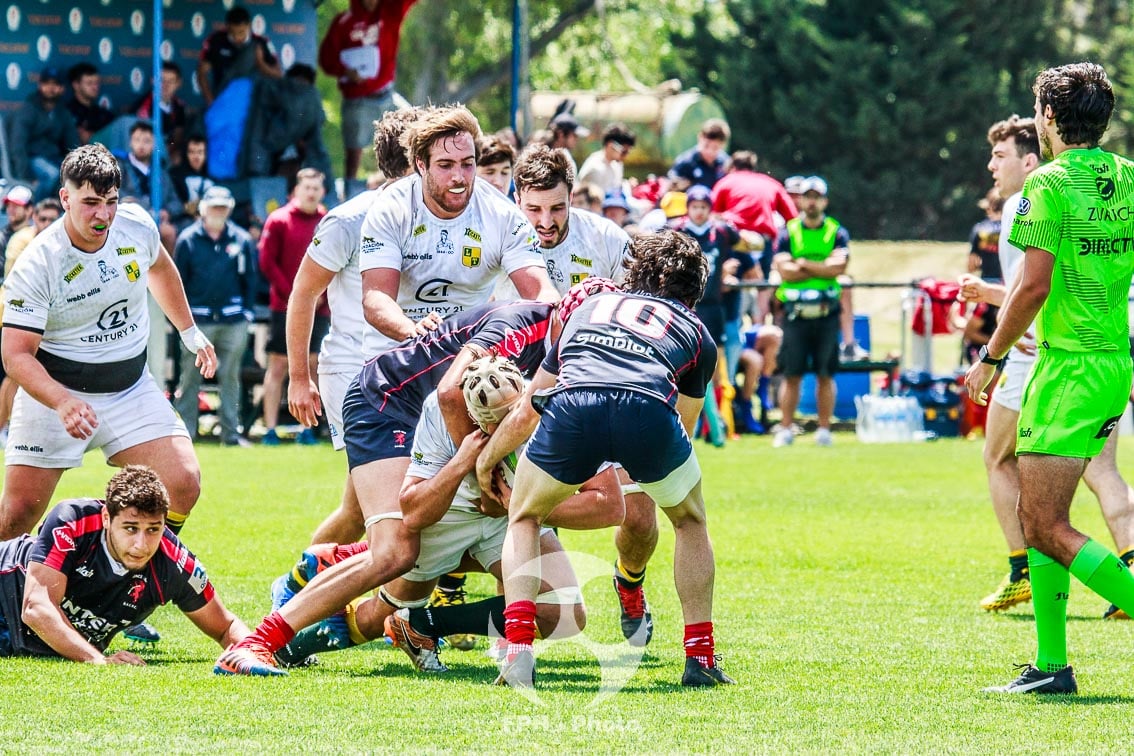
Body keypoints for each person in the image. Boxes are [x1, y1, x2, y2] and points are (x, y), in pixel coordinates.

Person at [214, 296, 586, 676]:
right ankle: (258, 643)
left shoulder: (567, 362)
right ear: (568, 319)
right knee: (394, 551)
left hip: (459, 438)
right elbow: (449, 393)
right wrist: (481, 473)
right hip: (390, 400)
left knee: (565, 610)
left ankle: (357, 571)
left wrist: (510, 498)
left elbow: (606, 502)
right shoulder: (521, 326)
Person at [479, 231, 733, 688]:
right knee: (689, 521)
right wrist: (639, 463)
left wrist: (487, 460)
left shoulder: (589, 309)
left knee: (524, 516)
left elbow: (533, 401)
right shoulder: (697, 331)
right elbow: (685, 427)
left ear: (634, 274)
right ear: (694, 290)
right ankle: (700, 658)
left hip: (573, 407)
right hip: (647, 412)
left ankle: (517, 649)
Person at [968, 62, 1134, 695]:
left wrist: (990, 356)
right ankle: (1051, 664)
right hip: (1110, 362)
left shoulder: (1046, 186)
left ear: (1047, 117)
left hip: (1067, 368)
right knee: (1043, 514)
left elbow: (1031, 285)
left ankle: (1055, 661)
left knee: (1043, 524)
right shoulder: (1126, 178)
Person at [0, 143, 217, 542]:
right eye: (91, 202)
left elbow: (161, 268)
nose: (103, 215)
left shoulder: (134, 225)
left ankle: (135, 578)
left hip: (131, 389)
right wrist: (62, 401)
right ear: (65, 198)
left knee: (183, 483)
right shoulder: (38, 263)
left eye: (111, 201)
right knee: (13, 520)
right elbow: (15, 356)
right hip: (56, 397)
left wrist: (190, 331)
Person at [286, 108, 421, 545]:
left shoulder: (439, 217)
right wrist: (298, 378)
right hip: (354, 373)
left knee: (375, 504)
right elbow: (303, 294)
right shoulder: (349, 220)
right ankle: (302, 586)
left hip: (412, 372)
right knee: (378, 506)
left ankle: (314, 585)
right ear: (414, 160)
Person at [357, 104, 556, 360]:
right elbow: (376, 299)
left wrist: (564, 311)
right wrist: (414, 330)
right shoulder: (392, 208)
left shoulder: (503, 215)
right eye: (445, 165)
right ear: (421, 164)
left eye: (467, 164)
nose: (459, 177)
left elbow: (540, 293)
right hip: (394, 356)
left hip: (467, 360)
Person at [0, 466, 248, 662]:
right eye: (130, 528)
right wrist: (97, 660)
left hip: (39, 646)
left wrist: (254, 655)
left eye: (153, 529)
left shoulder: (174, 563)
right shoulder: (73, 520)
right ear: (106, 518)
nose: (141, 545)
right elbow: (36, 608)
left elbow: (226, 626)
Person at [173, 186, 258, 447]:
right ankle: (186, 434)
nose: (218, 212)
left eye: (223, 207)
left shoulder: (241, 239)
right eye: (214, 207)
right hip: (198, 322)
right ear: (203, 210)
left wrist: (247, 312)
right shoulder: (187, 240)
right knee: (190, 378)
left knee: (231, 378)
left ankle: (231, 434)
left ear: (229, 209)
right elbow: (178, 282)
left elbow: (250, 279)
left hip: (233, 320)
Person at [672, 185, 760, 430]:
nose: (699, 212)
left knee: (716, 369)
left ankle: (718, 422)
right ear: (688, 208)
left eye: (703, 207)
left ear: (710, 209)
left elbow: (750, 244)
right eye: (694, 207)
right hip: (684, 307)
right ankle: (690, 421)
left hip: (713, 307)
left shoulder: (721, 231)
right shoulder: (677, 231)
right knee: (683, 366)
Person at [771, 176, 850, 448]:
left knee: (825, 373)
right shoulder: (788, 232)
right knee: (791, 373)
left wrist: (802, 262)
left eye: (817, 196)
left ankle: (825, 429)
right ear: (801, 200)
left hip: (827, 313)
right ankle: (785, 427)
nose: (812, 201)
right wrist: (821, 265)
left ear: (824, 201)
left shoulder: (836, 231)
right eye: (808, 196)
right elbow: (786, 272)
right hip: (795, 314)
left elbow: (838, 268)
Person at [258, 168, 328, 445]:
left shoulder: (327, 220)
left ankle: (309, 428)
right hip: (283, 307)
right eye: (306, 187)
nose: (311, 192)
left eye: (316, 188)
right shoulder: (279, 220)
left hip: (321, 308)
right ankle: (270, 429)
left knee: (314, 365)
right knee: (279, 366)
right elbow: (266, 262)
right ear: (296, 190)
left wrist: (320, 294)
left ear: (322, 192)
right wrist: (297, 295)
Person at [318, 0, 420, 180]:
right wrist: (345, 71)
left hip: (387, 94)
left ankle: (412, 185)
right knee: (354, 154)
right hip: (358, 99)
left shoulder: (391, 11)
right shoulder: (344, 22)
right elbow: (326, 60)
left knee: (418, 130)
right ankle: (350, 195)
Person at [510, 143, 631, 295]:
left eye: (557, 208)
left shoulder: (609, 239)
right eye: (534, 209)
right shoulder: (498, 241)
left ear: (571, 198)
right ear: (518, 201)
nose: (546, 223)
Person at [8, 67, 80, 201]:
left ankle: (60, 214)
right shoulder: (28, 109)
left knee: (72, 178)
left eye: (55, 84)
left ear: (62, 88)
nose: (51, 88)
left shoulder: (63, 112)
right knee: (51, 175)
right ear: (40, 85)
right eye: (47, 83)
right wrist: (26, 176)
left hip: (53, 158)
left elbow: (73, 143)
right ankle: (38, 210)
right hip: (31, 159)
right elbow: (17, 146)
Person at [197, 5, 282, 108]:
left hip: (252, 104)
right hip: (223, 99)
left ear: (249, 25)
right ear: (227, 26)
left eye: (241, 32)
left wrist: (260, 63)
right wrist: (211, 101)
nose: (237, 37)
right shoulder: (215, 40)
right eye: (232, 33)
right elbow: (201, 73)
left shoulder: (261, 43)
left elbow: (278, 75)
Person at [116, 121, 182, 250]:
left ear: (154, 144)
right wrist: (143, 207)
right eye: (137, 140)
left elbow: (176, 202)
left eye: (147, 141)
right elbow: (115, 193)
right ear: (130, 142)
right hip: (130, 219)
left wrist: (167, 212)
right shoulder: (120, 166)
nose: (141, 145)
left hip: (158, 223)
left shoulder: (161, 172)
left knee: (168, 233)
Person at [129, 61, 191, 163]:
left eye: (171, 81)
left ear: (178, 83)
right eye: (161, 80)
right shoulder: (143, 108)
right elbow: (139, 144)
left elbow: (178, 136)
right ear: (153, 81)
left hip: (169, 153)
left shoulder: (179, 106)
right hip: (148, 157)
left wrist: (172, 149)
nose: (165, 85)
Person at [668, 118, 730, 191]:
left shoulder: (726, 163)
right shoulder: (684, 162)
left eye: (715, 148)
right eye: (706, 145)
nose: (709, 151)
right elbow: (670, 187)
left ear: (723, 145)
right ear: (700, 137)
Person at [577, 122, 636, 195]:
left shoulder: (616, 164)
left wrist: (627, 185)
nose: (626, 156)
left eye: (628, 152)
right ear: (611, 145)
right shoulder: (595, 168)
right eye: (624, 152)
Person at [64, 62, 115, 146]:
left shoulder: (104, 114)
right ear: (76, 85)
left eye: (97, 83)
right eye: (89, 83)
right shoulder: (65, 112)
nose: (95, 87)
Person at [168, 136, 216, 224]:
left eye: (200, 152)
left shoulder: (213, 176)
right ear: (186, 154)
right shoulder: (175, 175)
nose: (196, 157)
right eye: (192, 152)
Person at [969, 188, 1004, 282]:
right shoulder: (1013, 227)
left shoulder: (979, 229)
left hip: (987, 281)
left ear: (989, 207)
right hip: (1009, 282)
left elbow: (971, 265)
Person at [0, 186, 33, 264]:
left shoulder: (37, 234)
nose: (10, 210)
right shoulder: (1, 238)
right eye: (8, 205)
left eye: (15, 206)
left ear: (29, 210)